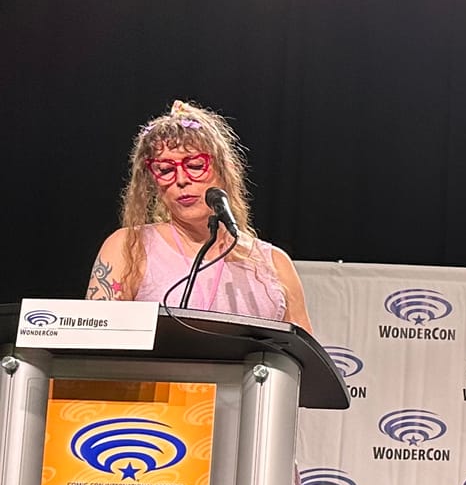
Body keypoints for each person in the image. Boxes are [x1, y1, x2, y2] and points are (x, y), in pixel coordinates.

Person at [84, 100, 312, 328]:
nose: (181, 180)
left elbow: (304, 358)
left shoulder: (274, 264)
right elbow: (94, 339)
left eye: (195, 166)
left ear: (225, 170)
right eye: (165, 170)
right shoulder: (129, 247)